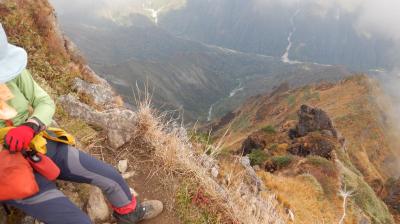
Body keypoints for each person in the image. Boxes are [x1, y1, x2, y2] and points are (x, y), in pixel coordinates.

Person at [0, 23, 163, 224]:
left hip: (34, 142)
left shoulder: (13, 74)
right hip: (5, 168)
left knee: (111, 177)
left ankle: (130, 214)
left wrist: (31, 125)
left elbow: (44, 101)